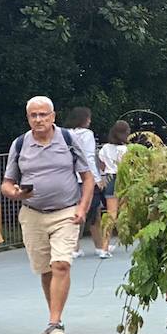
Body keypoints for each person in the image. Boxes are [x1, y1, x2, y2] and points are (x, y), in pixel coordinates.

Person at [0, 96, 94, 334]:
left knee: (61, 264)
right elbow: (7, 184)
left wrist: (83, 208)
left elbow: (87, 177)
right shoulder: (20, 144)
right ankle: (53, 317)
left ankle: (55, 322)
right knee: (45, 270)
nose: (39, 119)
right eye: (34, 115)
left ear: (53, 116)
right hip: (32, 213)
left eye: (43, 114)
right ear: (28, 118)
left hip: (66, 211)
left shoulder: (68, 140)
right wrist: (15, 193)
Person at [63, 106, 109, 259]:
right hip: (85, 178)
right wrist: (96, 178)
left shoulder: (66, 134)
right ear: (84, 120)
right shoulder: (87, 134)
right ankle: (99, 246)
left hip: (70, 179)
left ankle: (75, 248)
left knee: (76, 212)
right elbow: (88, 157)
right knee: (93, 213)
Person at [97, 120, 131, 255]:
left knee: (111, 214)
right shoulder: (126, 149)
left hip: (110, 178)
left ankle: (104, 247)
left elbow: (102, 165)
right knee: (127, 211)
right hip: (123, 179)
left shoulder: (105, 148)